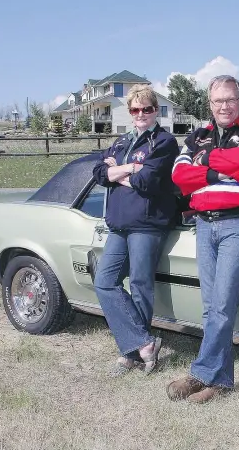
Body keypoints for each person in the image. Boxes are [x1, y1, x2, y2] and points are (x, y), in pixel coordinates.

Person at [168, 75, 239, 403]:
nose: (224, 106)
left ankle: (200, 374)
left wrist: (203, 160)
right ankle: (220, 381)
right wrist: (215, 171)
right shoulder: (198, 135)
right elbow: (178, 175)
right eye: (217, 101)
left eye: (230, 99)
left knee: (223, 305)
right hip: (204, 224)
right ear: (209, 104)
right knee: (211, 306)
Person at [91, 84, 179, 377]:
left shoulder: (165, 142)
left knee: (140, 285)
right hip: (118, 224)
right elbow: (99, 174)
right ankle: (143, 343)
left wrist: (121, 171)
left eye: (147, 109)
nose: (141, 114)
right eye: (135, 109)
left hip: (147, 224)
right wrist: (131, 169)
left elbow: (150, 182)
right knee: (105, 282)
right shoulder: (120, 141)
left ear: (156, 111)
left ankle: (131, 354)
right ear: (129, 112)